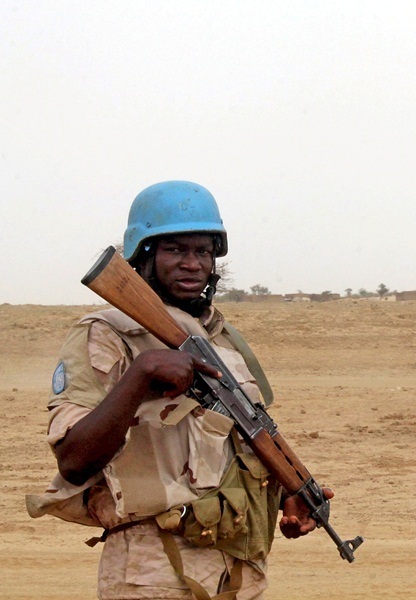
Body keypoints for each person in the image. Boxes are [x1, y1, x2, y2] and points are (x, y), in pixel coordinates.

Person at [27, 181, 328, 599]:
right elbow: (74, 460)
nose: (192, 264)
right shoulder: (107, 334)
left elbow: (234, 444)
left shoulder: (221, 338)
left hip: (239, 569)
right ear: (143, 256)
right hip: (154, 568)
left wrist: (284, 495)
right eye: (175, 250)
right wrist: (142, 375)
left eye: (203, 251)